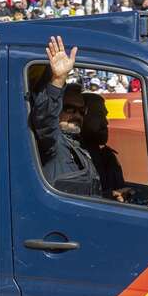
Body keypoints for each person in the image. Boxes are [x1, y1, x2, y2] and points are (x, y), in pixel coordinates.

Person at [30, 36, 100, 197]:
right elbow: (46, 119)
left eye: (81, 111)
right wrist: (58, 80)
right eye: (70, 109)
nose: (77, 115)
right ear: (58, 108)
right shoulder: (53, 142)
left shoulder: (79, 146)